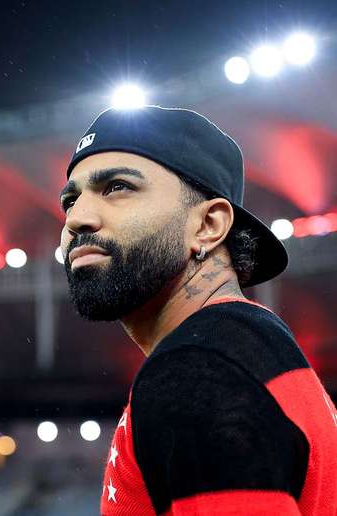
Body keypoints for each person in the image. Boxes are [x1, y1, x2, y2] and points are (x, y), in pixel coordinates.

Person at [59, 106, 337, 515]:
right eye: (70, 199)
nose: (76, 219)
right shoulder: (242, 348)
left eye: (118, 187)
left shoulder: (200, 372)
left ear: (208, 225)